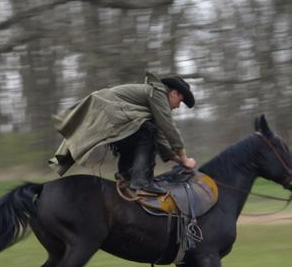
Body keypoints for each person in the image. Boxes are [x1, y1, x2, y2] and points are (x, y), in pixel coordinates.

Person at [48, 71, 197, 193]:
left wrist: (179, 161)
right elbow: (168, 126)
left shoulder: (153, 98)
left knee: (143, 131)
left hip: (112, 116)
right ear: (174, 93)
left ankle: (126, 175)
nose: (178, 107)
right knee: (146, 131)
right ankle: (141, 181)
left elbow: (161, 139)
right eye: (180, 101)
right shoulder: (158, 93)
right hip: (110, 113)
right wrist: (184, 157)